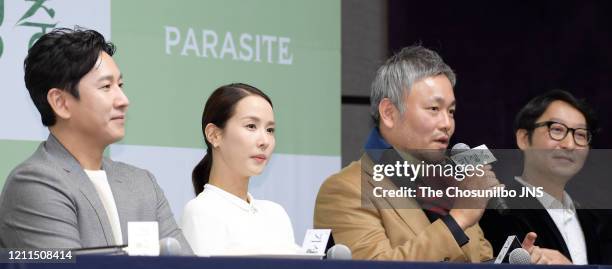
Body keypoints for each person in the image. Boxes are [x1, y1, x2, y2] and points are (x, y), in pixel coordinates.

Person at [314, 45, 564, 263]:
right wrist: (459, 218)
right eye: (434, 109)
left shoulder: (452, 183)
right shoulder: (344, 190)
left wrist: (514, 263)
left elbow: (478, 258)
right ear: (389, 113)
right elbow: (375, 266)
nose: (447, 123)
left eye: (451, 112)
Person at [0, 28, 191, 253]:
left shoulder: (142, 183)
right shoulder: (35, 183)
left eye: (120, 85)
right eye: (106, 87)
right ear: (60, 102)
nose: (123, 100)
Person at [480, 90, 602, 264]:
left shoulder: (596, 221)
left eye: (581, 135)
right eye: (557, 130)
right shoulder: (498, 210)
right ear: (523, 138)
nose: (569, 144)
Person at [181, 83, 299, 256]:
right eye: (251, 126)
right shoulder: (201, 211)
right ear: (214, 135)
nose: (264, 141)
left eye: (270, 130)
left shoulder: (276, 214)